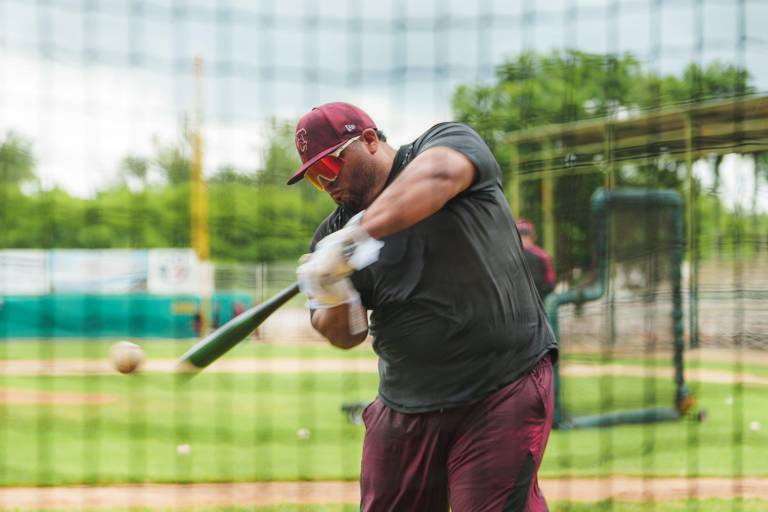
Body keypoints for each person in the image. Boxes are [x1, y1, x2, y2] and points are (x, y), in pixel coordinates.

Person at [288, 102, 558, 511]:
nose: (326, 184)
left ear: (369, 141)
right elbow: (347, 334)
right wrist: (331, 292)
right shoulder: (332, 233)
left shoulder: (446, 143)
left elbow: (441, 175)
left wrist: (352, 241)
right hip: (405, 405)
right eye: (312, 177)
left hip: (501, 386)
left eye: (329, 167)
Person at [516, 219, 556, 301]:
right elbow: (551, 283)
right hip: (539, 302)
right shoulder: (543, 255)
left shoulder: (509, 256)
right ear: (533, 236)